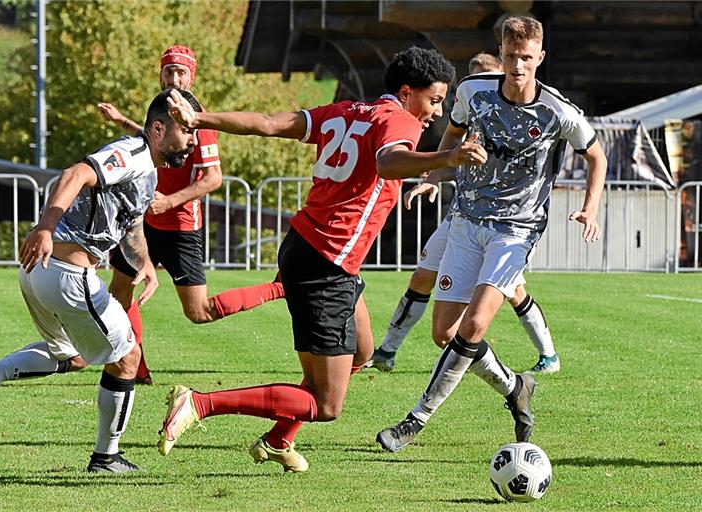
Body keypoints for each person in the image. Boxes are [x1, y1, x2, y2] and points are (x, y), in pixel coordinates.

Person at [154, 46, 487, 472]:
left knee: (362, 353)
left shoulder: (347, 109)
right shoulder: (398, 119)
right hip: (326, 264)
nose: (437, 114)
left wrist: (201, 119)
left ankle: (277, 440)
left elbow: (270, 124)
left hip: (311, 249)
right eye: (435, 100)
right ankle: (199, 403)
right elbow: (387, 163)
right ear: (407, 92)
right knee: (325, 403)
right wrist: (447, 157)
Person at [376, 16, 607, 453]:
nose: (517, 66)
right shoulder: (471, 92)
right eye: (510, 56)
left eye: (526, 58)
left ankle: (414, 421)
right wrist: (436, 173)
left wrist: (590, 208)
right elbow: (455, 137)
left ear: (540, 58)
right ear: (499, 54)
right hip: (465, 221)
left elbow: (597, 156)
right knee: (445, 333)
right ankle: (515, 388)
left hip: (515, 231)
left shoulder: (558, 111)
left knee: (476, 323)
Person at [0, 89, 199, 473]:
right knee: (128, 356)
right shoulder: (132, 153)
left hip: (39, 273)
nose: (192, 139)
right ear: (158, 128)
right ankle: (106, 456)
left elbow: (130, 224)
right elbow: (76, 173)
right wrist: (46, 227)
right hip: (66, 271)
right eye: (186, 131)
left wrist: (146, 263)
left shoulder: (147, 171)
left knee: (74, 356)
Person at [97, 45, 285, 385]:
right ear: (160, 74)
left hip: (181, 226)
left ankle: (279, 288)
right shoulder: (157, 109)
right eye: (169, 71)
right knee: (120, 292)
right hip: (144, 220)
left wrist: (169, 202)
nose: (174, 78)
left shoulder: (200, 119)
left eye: (181, 72)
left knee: (199, 312)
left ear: (192, 76)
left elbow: (213, 178)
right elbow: (151, 139)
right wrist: (122, 121)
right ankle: (136, 367)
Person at [368, 49, 560, 375]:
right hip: (461, 216)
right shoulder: (469, 113)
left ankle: (548, 357)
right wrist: (433, 178)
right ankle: (387, 350)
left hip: (504, 225)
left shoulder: (513, 117)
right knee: (421, 277)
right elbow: (453, 150)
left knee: (515, 292)